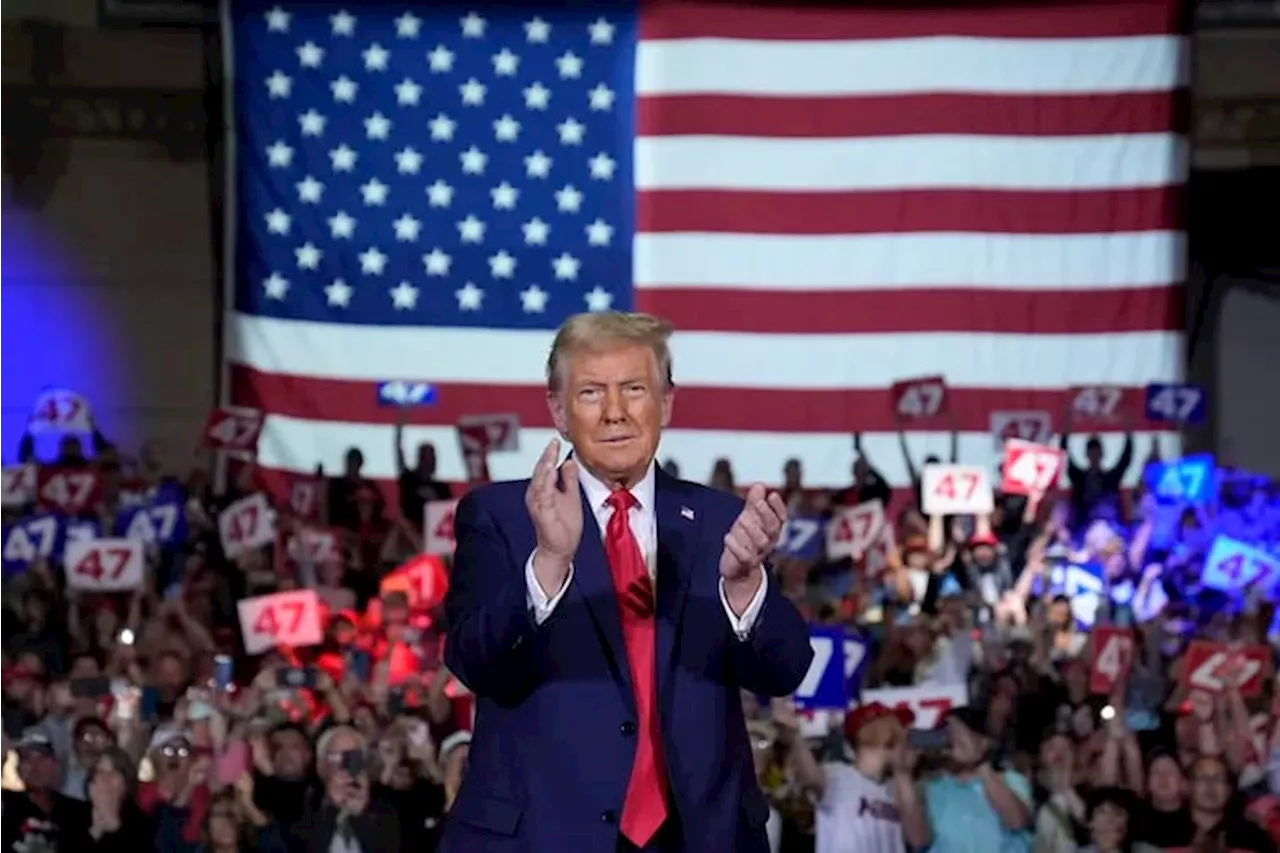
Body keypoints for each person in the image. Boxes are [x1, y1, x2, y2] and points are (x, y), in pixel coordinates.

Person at [441, 312, 814, 853]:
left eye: (634, 389)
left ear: (665, 402)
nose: (615, 412)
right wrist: (549, 560)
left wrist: (744, 587)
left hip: (701, 837)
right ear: (558, 410)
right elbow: (474, 663)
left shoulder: (720, 521)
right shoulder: (503, 514)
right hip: (544, 836)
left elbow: (786, 670)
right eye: (591, 392)